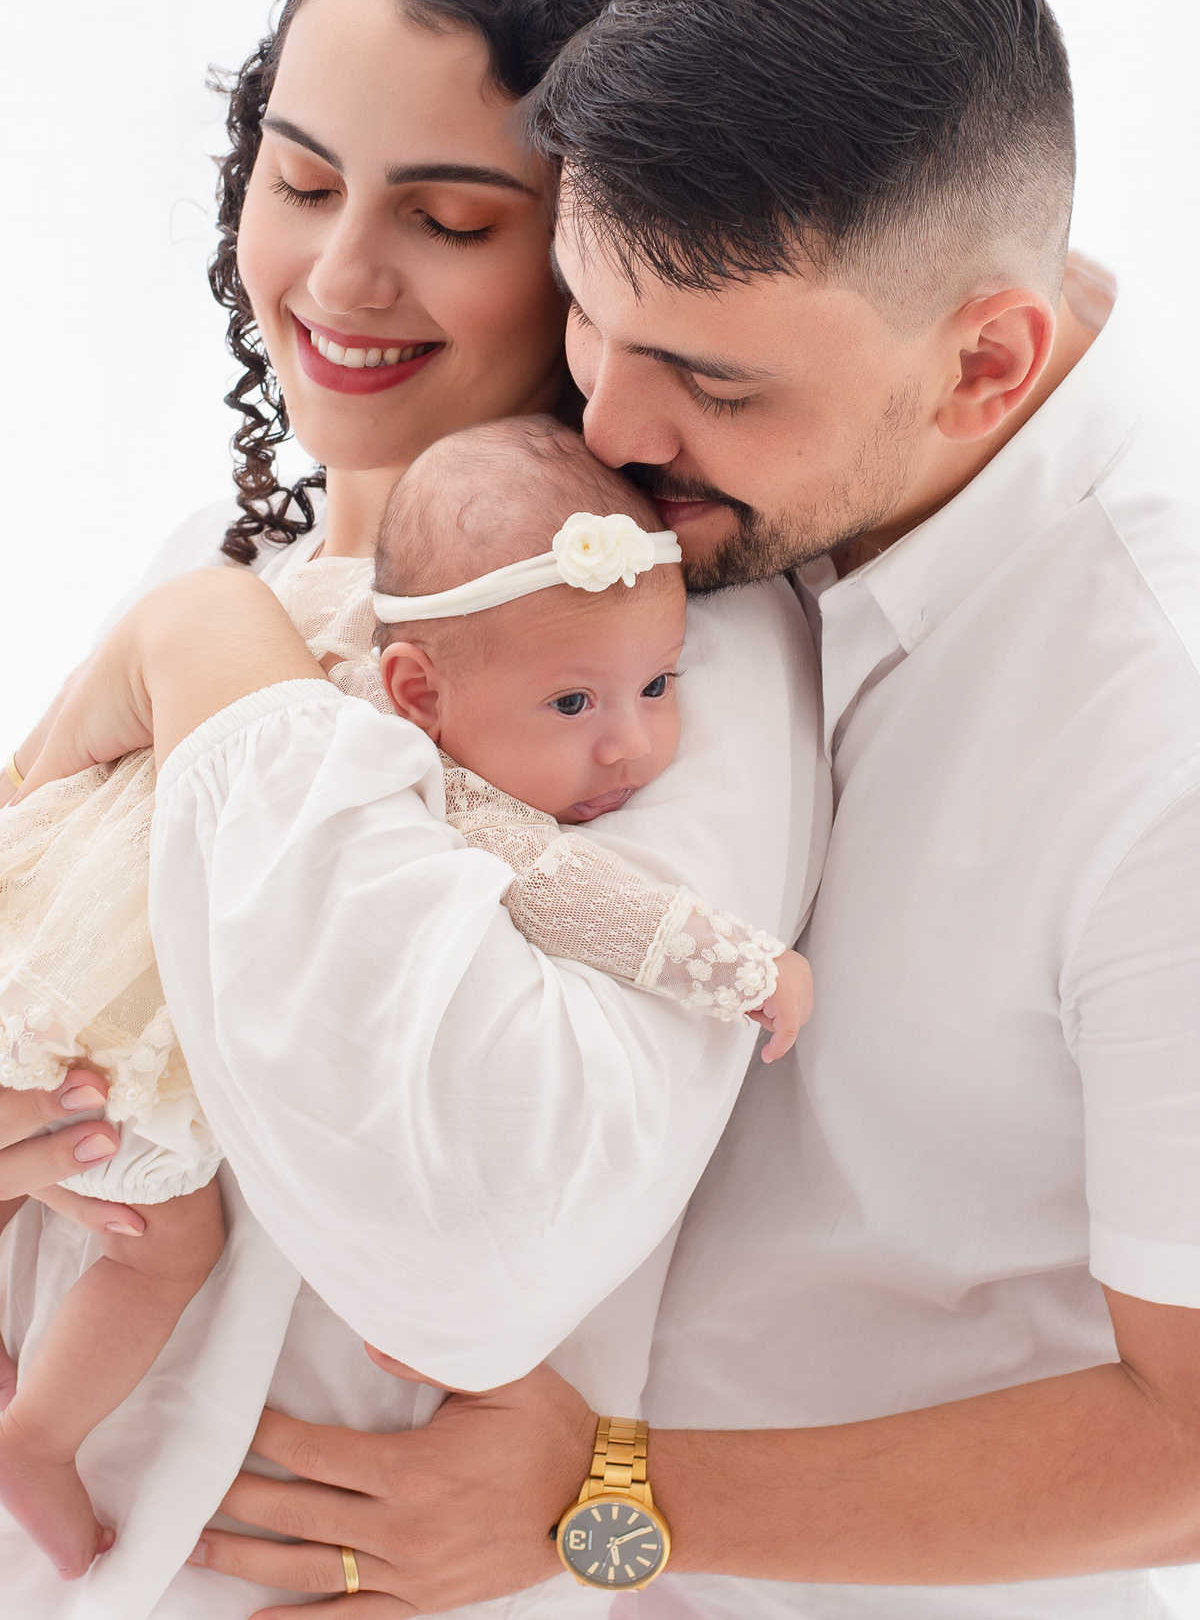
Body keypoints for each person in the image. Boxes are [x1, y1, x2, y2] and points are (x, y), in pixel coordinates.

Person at [76, 0, 1197, 1620]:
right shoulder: (721, 487)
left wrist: (609, 1499)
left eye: (712, 381)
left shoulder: (1150, 727)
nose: (607, 424)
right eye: (589, 314)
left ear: (988, 364)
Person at [0, 0, 823, 1620]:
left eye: (449, 221)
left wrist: (214, 660)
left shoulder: (648, 657)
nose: (340, 273)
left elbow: (482, 1222)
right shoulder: (227, 567)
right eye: (300, 179)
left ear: (599, 255)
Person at [0, 414, 810, 1582]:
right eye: (575, 705)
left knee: (122, 1215)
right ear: (418, 688)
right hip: (95, 1036)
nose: (633, 745)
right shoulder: (331, 682)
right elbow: (563, 887)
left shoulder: (674, 621)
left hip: (55, 985)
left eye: (656, 687)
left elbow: (493, 1188)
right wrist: (739, 967)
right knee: (155, 1245)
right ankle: (36, 1437)